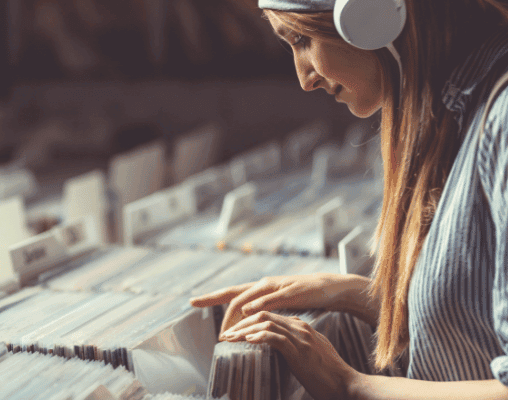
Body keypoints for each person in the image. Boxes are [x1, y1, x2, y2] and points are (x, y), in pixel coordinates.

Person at [189, 0, 508, 399]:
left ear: (370, 13)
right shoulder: (454, 106)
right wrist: (351, 293)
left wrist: (351, 386)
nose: (304, 78)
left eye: (303, 39)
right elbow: (472, 328)